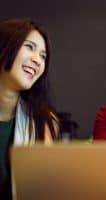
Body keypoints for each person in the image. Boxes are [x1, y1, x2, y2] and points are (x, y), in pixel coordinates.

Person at [0, 18, 59, 199]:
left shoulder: (44, 122)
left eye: (43, 56)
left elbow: (44, 190)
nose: (37, 60)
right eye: (30, 47)